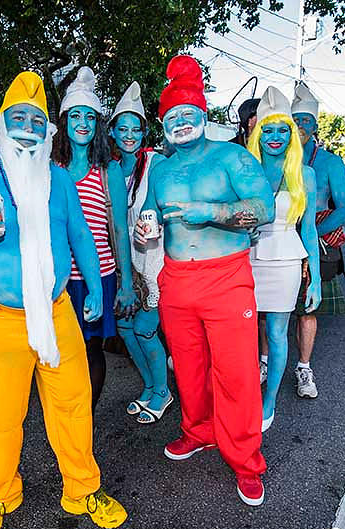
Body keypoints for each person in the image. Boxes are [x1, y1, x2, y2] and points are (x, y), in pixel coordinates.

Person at [0, 71, 127, 529]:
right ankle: (1, 494)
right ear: (1, 124)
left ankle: (83, 489)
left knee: (73, 404)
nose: (28, 128)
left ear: (47, 130)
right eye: (18, 117)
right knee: (2, 414)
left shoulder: (59, 179)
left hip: (56, 311)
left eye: (37, 121)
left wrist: (94, 287)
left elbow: (80, 236)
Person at [135, 55, 275, 506]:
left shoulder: (231, 156)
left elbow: (265, 209)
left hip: (227, 278)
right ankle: (198, 432)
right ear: (164, 123)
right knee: (189, 369)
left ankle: (247, 460)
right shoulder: (160, 168)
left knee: (236, 373)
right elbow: (151, 214)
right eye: (171, 116)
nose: (180, 122)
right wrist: (144, 228)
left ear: (202, 114)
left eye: (187, 113)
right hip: (177, 279)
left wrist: (213, 212)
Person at [52, 67, 137, 414]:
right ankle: (67, 415)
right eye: (76, 116)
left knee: (90, 350)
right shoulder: (50, 167)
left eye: (90, 117)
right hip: (58, 278)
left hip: (97, 278)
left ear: (98, 125)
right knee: (59, 351)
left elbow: (120, 229)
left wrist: (126, 283)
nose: (83, 123)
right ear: (64, 122)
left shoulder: (108, 169)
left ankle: (85, 417)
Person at [246, 86, 321, 431]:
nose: (275, 137)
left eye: (282, 130)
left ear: (292, 135)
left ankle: (270, 400)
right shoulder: (244, 169)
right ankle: (243, 393)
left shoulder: (305, 174)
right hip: (245, 259)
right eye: (268, 130)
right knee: (242, 333)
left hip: (286, 260)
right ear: (257, 134)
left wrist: (314, 280)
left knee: (277, 333)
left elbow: (309, 230)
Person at [108, 82, 172, 423]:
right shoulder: (111, 168)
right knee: (125, 328)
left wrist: (150, 216)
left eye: (136, 129)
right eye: (123, 129)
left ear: (144, 132)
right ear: (112, 132)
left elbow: (151, 206)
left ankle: (163, 392)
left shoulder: (156, 163)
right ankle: (149, 386)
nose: (129, 135)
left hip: (155, 260)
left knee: (146, 329)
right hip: (125, 263)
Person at [291, 83, 345, 399]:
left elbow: (344, 208)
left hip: (317, 239)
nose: (301, 125)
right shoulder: (274, 157)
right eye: (296, 119)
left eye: (306, 120)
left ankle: (304, 366)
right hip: (279, 242)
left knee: (307, 309)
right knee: (266, 311)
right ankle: (264, 361)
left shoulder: (330, 162)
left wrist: (312, 235)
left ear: (315, 125)